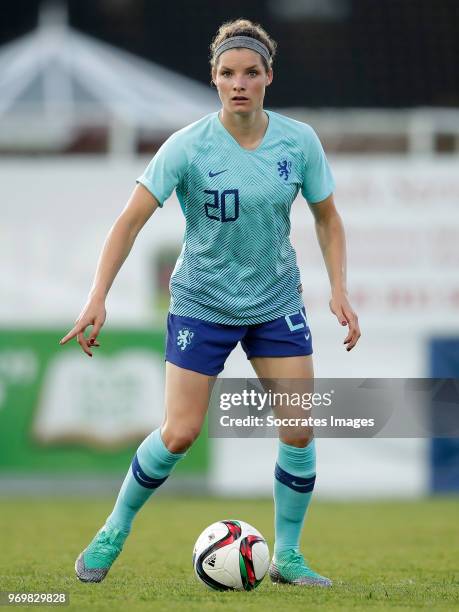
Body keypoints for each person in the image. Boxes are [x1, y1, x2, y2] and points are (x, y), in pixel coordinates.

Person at [60, 18, 360, 587]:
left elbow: (328, 218)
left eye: (250, 72)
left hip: (275, 302)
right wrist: (97, 295)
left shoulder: (299, 142)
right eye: (227, 73)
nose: (238, 83)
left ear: (268, 75)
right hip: (202, 303)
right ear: (214, 78)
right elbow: (129, 222)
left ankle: (289, 557)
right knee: (179, 433)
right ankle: (113, 530)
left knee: (299, 429)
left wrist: (339, 287)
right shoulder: (188, 146)